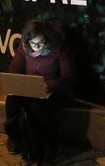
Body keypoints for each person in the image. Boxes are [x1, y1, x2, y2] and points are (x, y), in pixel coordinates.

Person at [4, 20, 74, 164]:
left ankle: (47, 146)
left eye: (40, 43)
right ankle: (18, 140)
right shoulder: (25, 47)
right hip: (30, 89)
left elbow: (68, 77)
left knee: (37, 107)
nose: (36, 47)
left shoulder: (58, 49)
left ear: (47, 39)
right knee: (11, 102)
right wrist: (20, 82)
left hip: (54, 90)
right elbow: (14, 68)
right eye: (33, 44)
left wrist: (48, 85)